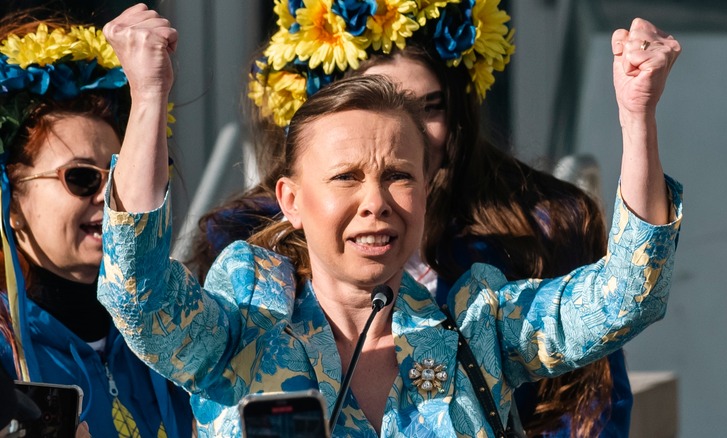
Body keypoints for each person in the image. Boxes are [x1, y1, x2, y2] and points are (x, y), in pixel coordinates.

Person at [98, 5, 682, 436]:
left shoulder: (480, 327)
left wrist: (638, 116)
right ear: (291, 200)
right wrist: (149, 97)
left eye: (399, 176)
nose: (375, 201)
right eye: (346, 177)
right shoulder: (238, 331)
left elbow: (631, 291)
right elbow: (136, 290)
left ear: (426, 190)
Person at [0, 10, 193, 437]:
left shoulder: (180, 334)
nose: (108, 197)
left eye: (121, 177)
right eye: (81, 177)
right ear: (11, 202)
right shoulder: (3, 352)